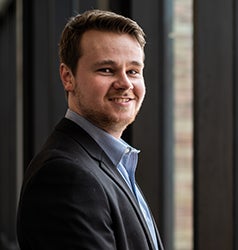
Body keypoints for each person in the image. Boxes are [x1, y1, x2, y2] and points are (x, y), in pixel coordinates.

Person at [17, 9, 163, 250]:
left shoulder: (112, 164)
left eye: (133, 71)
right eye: (107, 70)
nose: (125, 83)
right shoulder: (66, 176)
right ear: (68, 77)